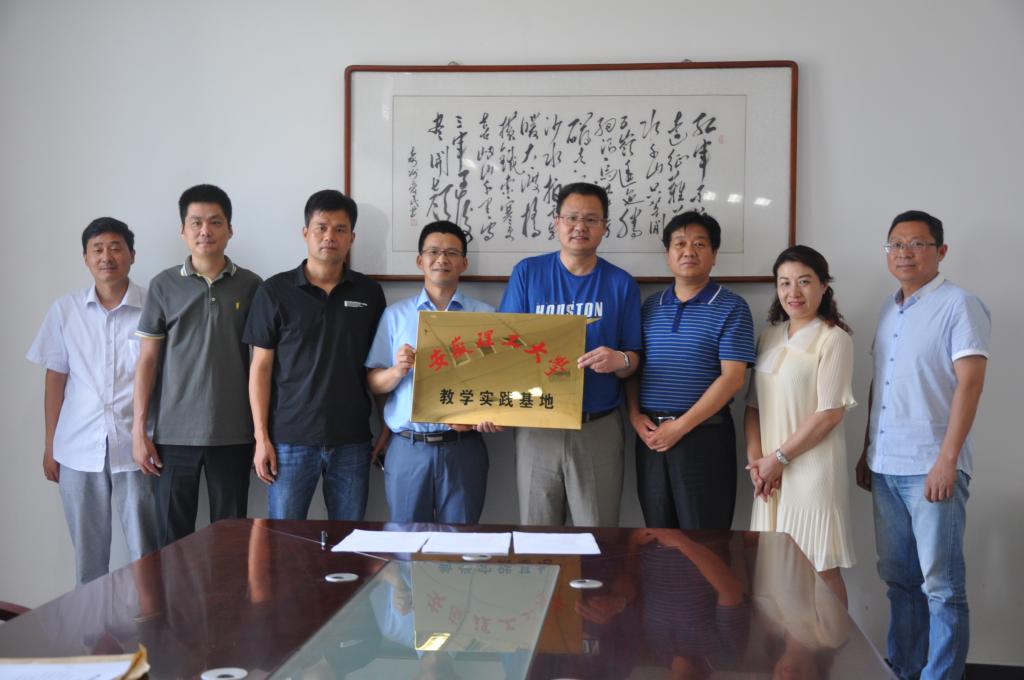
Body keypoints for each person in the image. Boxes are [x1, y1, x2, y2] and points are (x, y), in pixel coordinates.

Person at [856, 210, 990, 680]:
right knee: (900, 580)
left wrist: (947, 460)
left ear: (941, 251)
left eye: (917, 244)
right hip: (885, 466)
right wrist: (867, 449)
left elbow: (970, 385)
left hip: (932, 466)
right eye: (895, 244)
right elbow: (881, 383)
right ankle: (905, 670)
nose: (904, 253)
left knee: (942, 586)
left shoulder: (960, 304)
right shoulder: (888, 308)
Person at [499, 182, 641, 527]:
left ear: (605, 227)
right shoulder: (527, 273)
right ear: (556, 222)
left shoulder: (621, 283)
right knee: (537, 534)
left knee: (597, 533)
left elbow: (633, 359)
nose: (580, 227)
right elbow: (506, 347)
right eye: (572, 218)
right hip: (537, 425)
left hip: (597, 426)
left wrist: (619, 360)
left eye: (591, 219)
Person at [27, 217, 159, 584]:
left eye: (116, 247)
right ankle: (90, 623)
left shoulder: (154, 306)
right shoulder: (65, 310)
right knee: (89, 558)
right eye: (97, 249)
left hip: (138, 447)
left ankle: (150, 620)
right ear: (85, 258)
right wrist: (50, 445)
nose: (106, 257)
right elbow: (56, 379)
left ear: (132, 255)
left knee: (147, 555)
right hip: (78, 447)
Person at [132, 184, 262, 546]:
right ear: (183, 230)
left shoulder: (252, 286)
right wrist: (139, 431)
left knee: (231, 542)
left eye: (215, 222)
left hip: (234, 434)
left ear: (230, 229)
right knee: (171, 544)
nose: (205, 230)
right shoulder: (163, 285)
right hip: (173, 437)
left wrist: (262, 432)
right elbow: (147, 362)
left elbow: (262, 365)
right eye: (196, 222)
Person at [244, 190, 386, 520]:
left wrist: (386, 426)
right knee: (284, 540)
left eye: (340, 229)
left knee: (349, 540)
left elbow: (378, 366)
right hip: (289, 441)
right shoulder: (274, 291)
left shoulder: (369, 293)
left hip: (352, 440)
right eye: (321, 227)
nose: (329, 237)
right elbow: (260, 369)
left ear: (352, 238)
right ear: (305, 232)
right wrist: (261, 438)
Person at [626, 211, 755, 530]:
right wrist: (634, 416)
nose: (688, 251)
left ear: (714, 254)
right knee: (657, 534)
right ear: (668, 254)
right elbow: (635, 367)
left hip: (704, 435)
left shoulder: (732, 307)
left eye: (699, 244)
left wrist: (680, 427)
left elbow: (733, 379)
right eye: (679, 244)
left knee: (705, 538)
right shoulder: (649, 306)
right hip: (651, 437)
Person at [744, 245, 857, 607]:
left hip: (812, 470)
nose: (793, 292)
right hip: (769, 474)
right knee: (775, 565)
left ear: (824, 286)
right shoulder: (769, 335)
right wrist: (758, 463)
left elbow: (829, 414)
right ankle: (790, 643)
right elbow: (752, 407)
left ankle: (833, 642)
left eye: (804, 282)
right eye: (785, 283)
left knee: (819, 565)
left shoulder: (834, 338)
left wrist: (779, 458)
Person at [366, 221, 495, 524]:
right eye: (433, 252)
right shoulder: (395, 315)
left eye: (451, 253)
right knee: (406, 541)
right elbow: (373, 382)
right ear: (419, 260)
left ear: (464, 263)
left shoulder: (486, 316)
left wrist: (489, 415)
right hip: (408, 447)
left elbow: (498, 382)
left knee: (462, 542)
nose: (441, 259)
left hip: (463, 447)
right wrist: (397, 371)